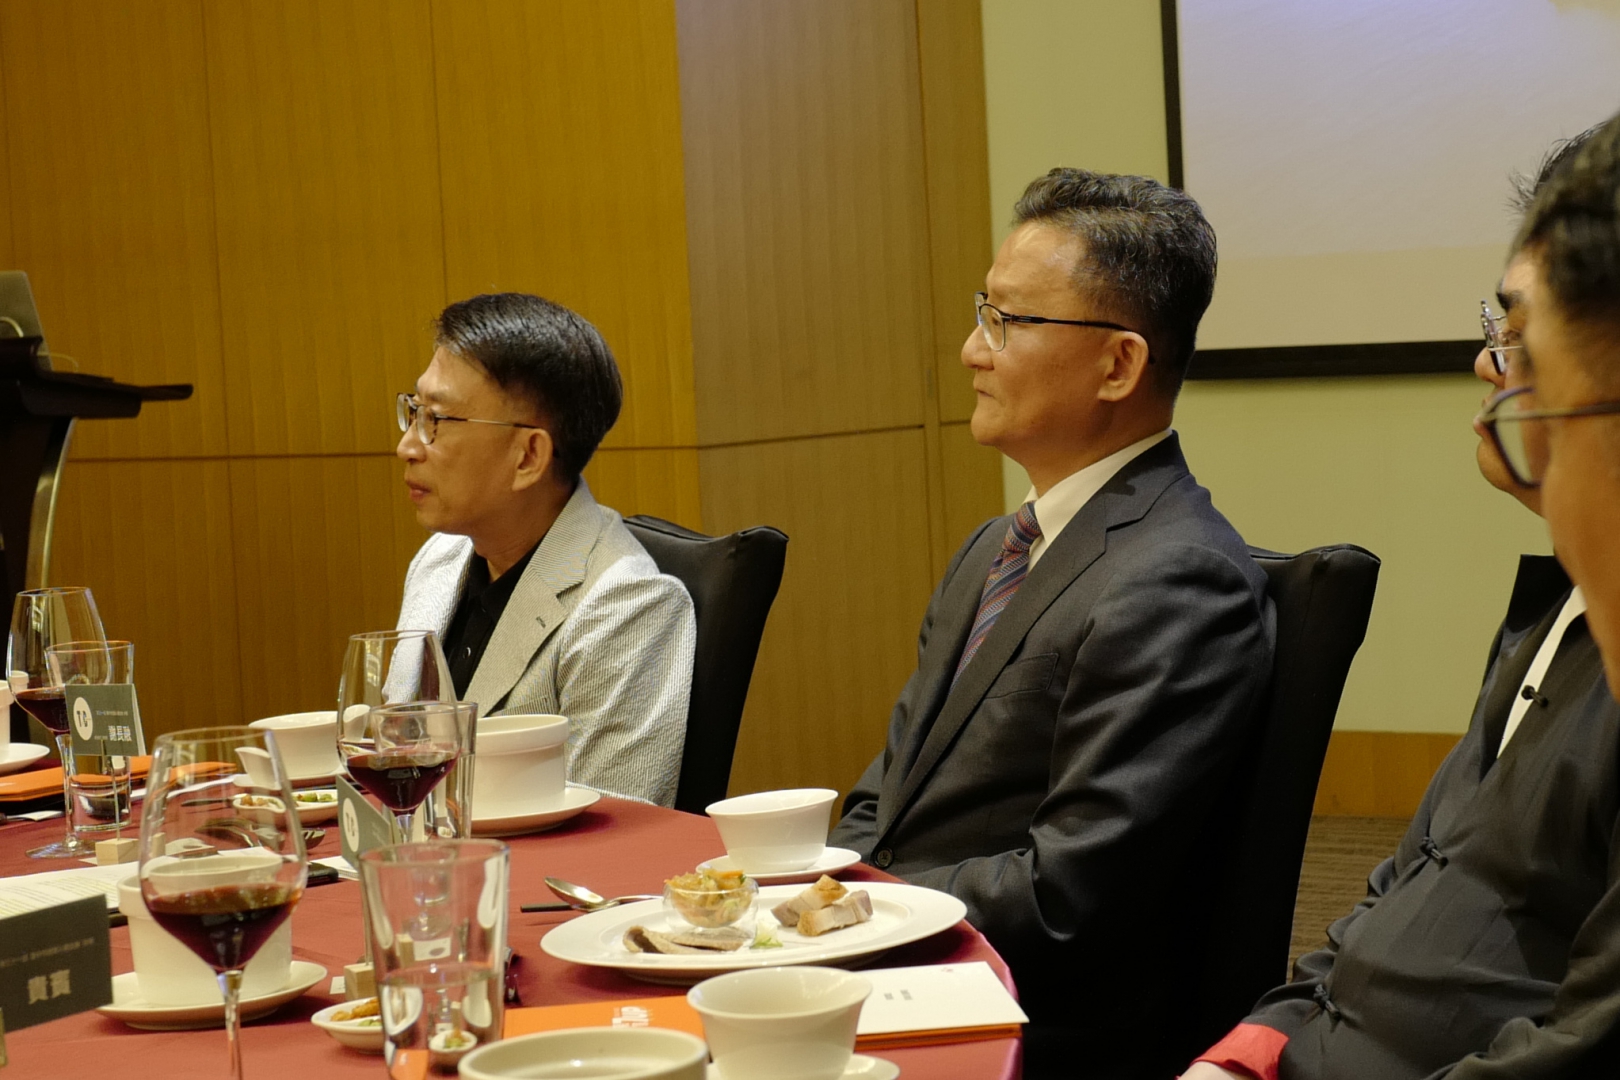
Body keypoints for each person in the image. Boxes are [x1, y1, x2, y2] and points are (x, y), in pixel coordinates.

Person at [1185, 126, 1620, 1080]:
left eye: (1523, 339)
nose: (1493, 373)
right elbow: (1405, 881)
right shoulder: (1550, 615)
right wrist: (1250, 1050)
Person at [827, 168, 1276, 1080]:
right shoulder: (993, 547)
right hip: (904, 959)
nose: (972, 350)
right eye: (981, 312)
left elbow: (1071, 893)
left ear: (1119, 365)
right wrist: (816, 894)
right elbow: (886, 798)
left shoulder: (1178, 577)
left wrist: (854, 906)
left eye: (1009, 321)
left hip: (1032, 1019)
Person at [394, 292, 695, 807]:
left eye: (437, 420)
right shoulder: (438, 561)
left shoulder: (626, 606)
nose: (408, 446)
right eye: (415, 411)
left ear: (529, 456)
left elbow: (615, 828)